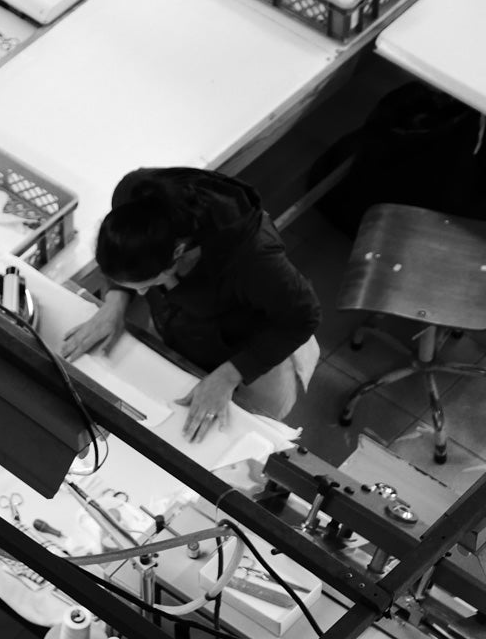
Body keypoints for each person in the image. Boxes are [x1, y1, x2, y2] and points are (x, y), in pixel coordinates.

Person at [61, 167, 321, 441]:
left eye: (147, 285)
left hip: (254, 346)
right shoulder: (136, 199)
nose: (141, 295)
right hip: (184, 324)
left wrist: (229, 376)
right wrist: (113, 304)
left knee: (240, 435)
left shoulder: (253, 257)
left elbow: (303, 316)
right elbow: (124, 255)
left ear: (177, 252)